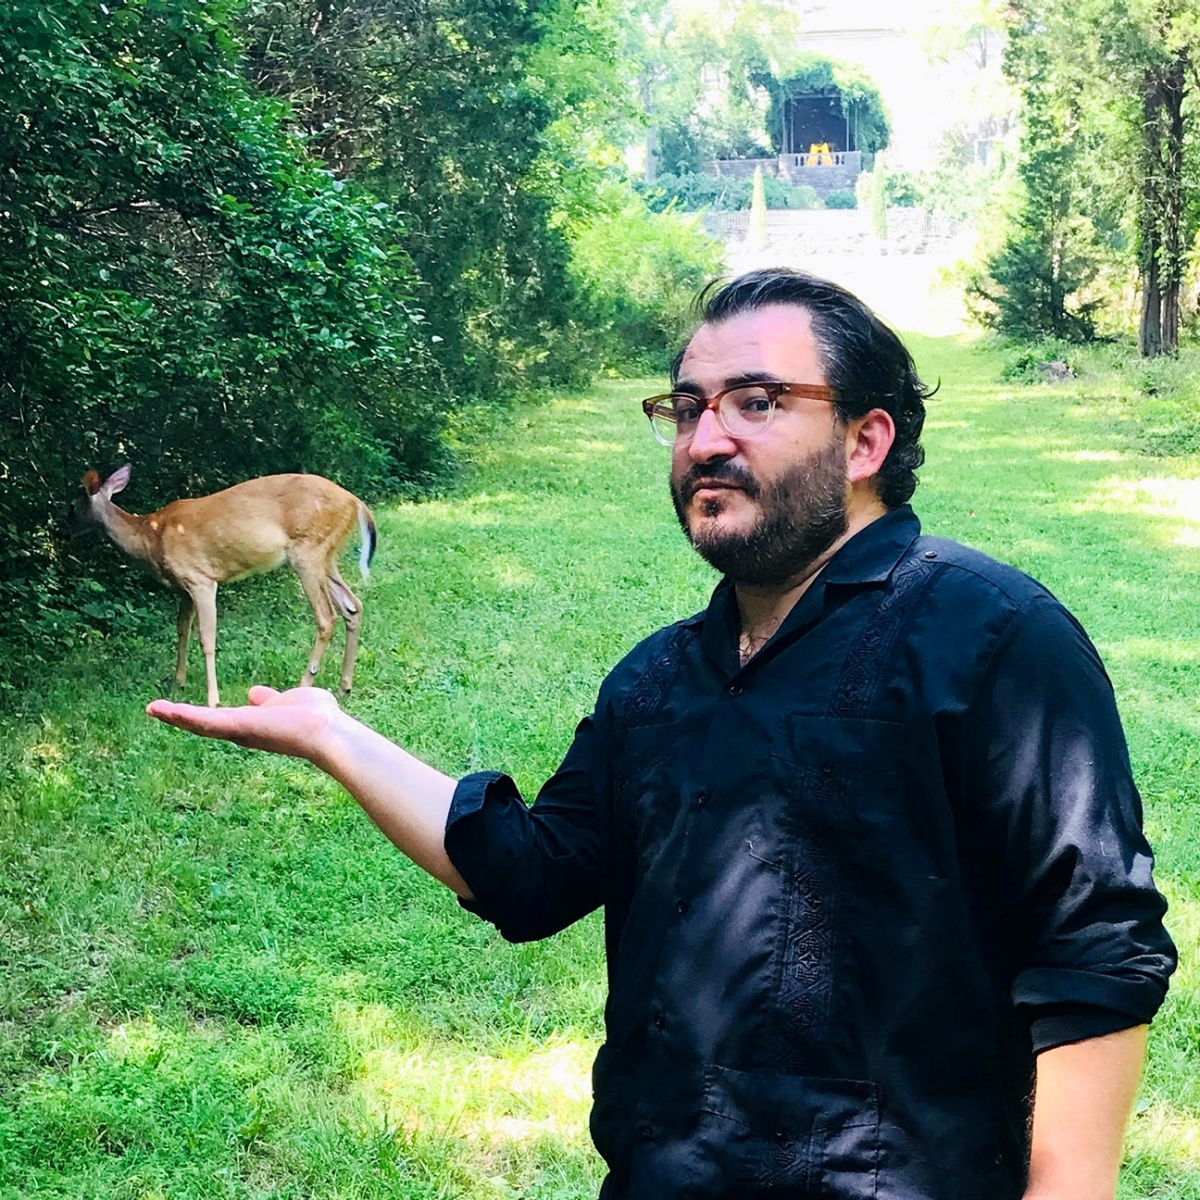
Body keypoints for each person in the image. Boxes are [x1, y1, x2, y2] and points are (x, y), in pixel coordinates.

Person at [148, 269, 1177, 1200]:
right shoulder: (659, 680)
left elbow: (1094, 947)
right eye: (688, 407)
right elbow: (531, 872)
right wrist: (335, 736)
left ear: (867, 441)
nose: (705, 437)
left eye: (758, 401)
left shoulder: (992, 636)